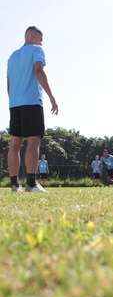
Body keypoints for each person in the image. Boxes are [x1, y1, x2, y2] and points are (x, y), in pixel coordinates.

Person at [7, 26, 58, 192]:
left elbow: (9, 84)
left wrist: (14, 100)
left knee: (14, 144)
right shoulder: (36, 49)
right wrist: (51, 97)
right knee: (33, 141)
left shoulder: (12, 56)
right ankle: (31, 183)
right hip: (31, 102)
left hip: (14, 104)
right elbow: (38, 70)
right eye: (40, 38)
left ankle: (14, 184)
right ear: (32, 35)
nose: (42, 42)